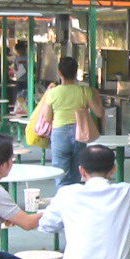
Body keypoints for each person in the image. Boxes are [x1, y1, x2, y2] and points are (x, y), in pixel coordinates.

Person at [45, 56, 102, 188]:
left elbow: (48, 119)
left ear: (59, 72)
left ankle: (62, 200)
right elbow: (99, 113)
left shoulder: (52, 93)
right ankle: (74, 198)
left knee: (60, 172)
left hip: (60, 133)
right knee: (77, 172)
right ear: (76, 72)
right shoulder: (84, 91)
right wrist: (96, 94)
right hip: (80, 132)